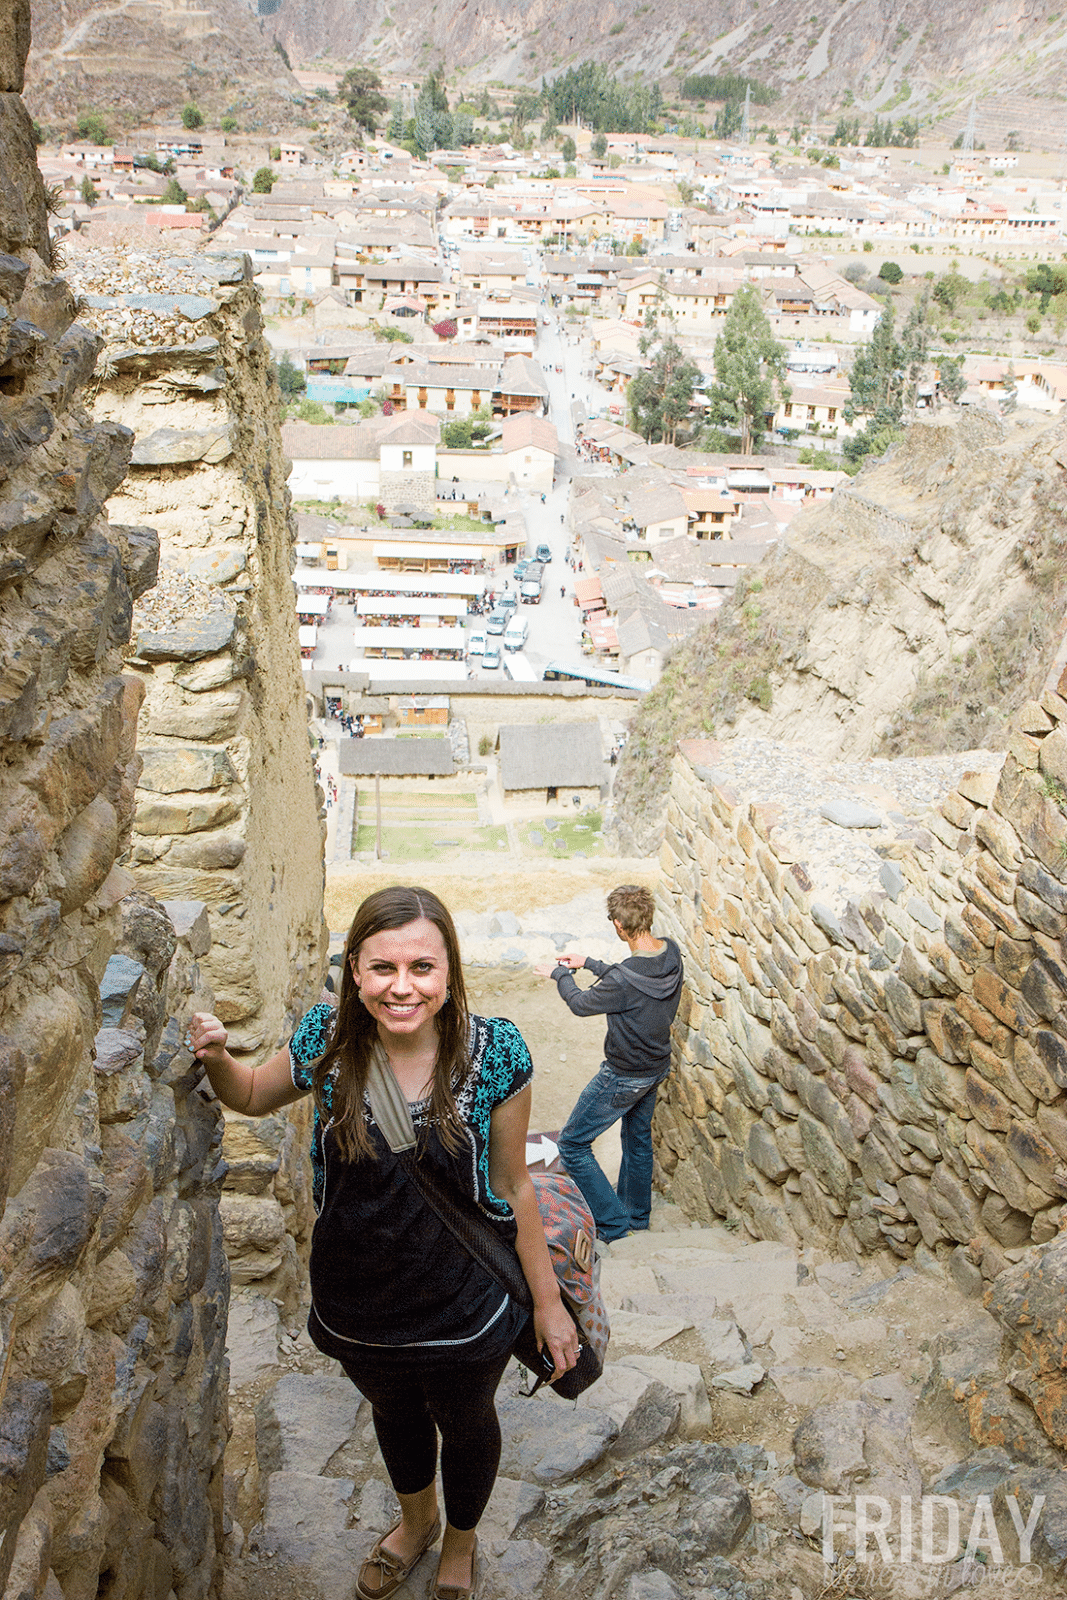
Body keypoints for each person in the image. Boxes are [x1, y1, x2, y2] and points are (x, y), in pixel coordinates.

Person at [188, 887, 577, 1600]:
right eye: (383, 968)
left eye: (423, 968)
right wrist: (215, 1055)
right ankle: (416, 1520)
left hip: (466, 1298)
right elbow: (247, 1094)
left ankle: (459, 1540)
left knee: (464, 1423)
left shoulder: (495, 1053)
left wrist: (548, 1307)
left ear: (449, 972)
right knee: (394, 1413)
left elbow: (515, 1186)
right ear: (355, 973)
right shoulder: (325, 1040)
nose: (403, 987)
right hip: (358, 1297)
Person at [535, 885, 683, 1244]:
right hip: (656, 1066)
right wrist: (589, 963)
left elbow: (582, 1004)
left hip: (623, 1075)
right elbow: (633, 980)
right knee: (637, 1138)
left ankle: (614, 1226)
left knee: (572, 1144)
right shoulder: (671, 952)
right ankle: (636, 1218)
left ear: (618, 925)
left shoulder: (621, 980)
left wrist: (561, 975)